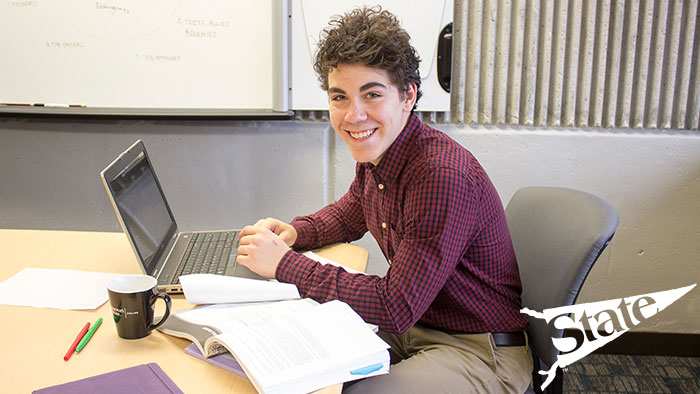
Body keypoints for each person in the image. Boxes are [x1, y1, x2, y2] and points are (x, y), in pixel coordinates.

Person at [236, 6, 532, 393]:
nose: (353, 115)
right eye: (339, 97)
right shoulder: (383, 153)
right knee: (295, 355)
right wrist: (296, 233)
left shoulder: (439, 174)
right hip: (419, 325)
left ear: (407, 95)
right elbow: (350, 213)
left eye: (371, 94)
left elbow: (395, 305)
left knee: (349, 392)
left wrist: (286, 266)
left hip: (478, 348)